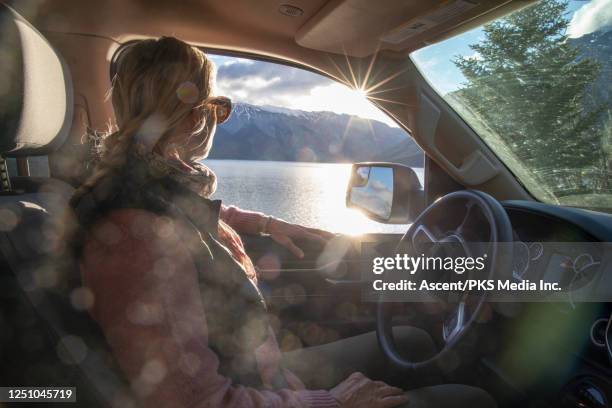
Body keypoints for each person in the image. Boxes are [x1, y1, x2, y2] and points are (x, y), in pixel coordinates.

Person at [70, 36, 496, 408]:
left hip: (258, 371)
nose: (213, 118)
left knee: (413, 340)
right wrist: (334, 401)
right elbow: (192, 401)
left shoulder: (146, 189)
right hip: (241, 387)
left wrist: (270, 224)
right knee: (472, 400)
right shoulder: (135, 233)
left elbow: (190, 221)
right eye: (217, 106)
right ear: (193, 116)